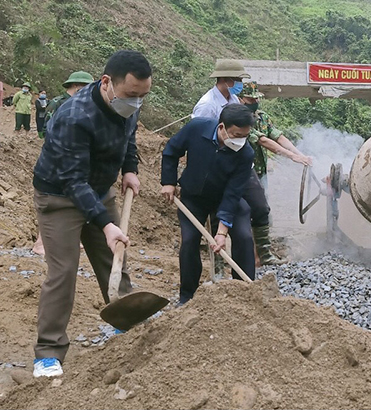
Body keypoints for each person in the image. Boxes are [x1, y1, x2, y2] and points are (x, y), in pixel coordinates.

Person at [31, 50, 152, 377]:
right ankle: (48, 352)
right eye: (131, 95)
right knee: (63, 272)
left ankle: (127, 324)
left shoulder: (129, 103)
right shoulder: (75, 116)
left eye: (143, 96)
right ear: (106, 83)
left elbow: (129, 139)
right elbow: (72, 180)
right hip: (59, 196)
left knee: (113, 260)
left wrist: (130, 169)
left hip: (98, 189)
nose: (136, 102)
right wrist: (105, 223)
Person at [161, 104, 256, 304]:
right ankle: (187, 297)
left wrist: (221, 232)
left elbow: (233, 193)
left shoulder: (245, 153)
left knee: (244, 237)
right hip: (193, 198)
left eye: (245, 136)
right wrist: (168, 182)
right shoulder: (197, 128)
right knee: (189, 241)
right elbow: (171, 151)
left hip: (226, 198)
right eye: (236, 134)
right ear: (222, 127)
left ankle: (245, 294)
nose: (240, 140)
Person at [238, 81, 311, 265]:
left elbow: (278, 136)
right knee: (245, 212)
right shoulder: (238, 117)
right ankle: (250, 256)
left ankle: (261, 254)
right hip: (241, 172)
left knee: (262, 211)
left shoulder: (262, 117)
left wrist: (300, 155)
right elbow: (263, 141)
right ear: (241, 99)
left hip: (260, 172)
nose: (254, 101)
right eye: (250, 98)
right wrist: (290, 157)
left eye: (256, 98)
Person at [32, 71, 95, 256]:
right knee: (53, 201)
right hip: (57, 160)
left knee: (74, 199)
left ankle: (72, 239)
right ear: (77, 87)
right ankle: (40, 243)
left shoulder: (83, 104)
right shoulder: (59, 103)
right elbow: (46, 128)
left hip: (75, 159)